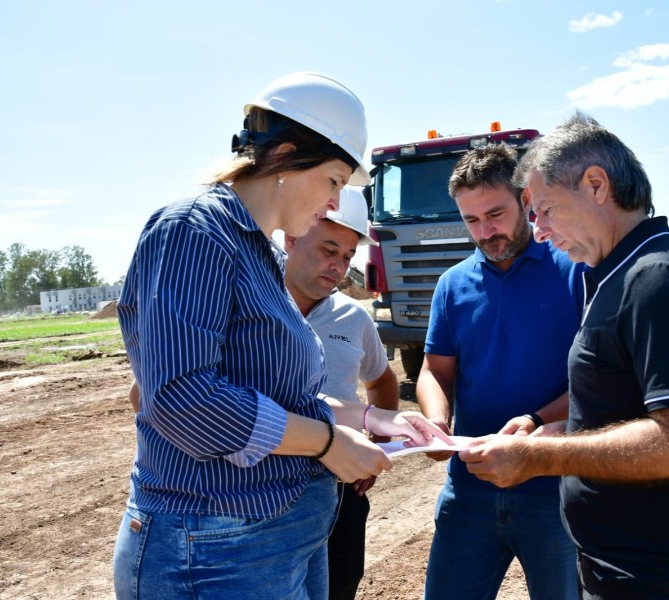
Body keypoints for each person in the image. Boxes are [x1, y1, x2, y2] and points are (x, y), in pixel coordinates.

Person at [113, 72, 450, 600]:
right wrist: (327, 443)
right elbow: (182, 400)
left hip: (274, 536)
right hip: (214, 544)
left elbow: (277, 395)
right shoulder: (194, 232)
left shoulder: (260, 253)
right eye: (334, 181)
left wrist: (374, 419)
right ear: (286, 158)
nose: (334, 201)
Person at [461, 111, 669, 599]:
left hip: (664, 580)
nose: (539, 231)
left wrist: (538, 456)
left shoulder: (661, 279)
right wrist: (553, 428)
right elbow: (621, 405)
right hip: (619, 570)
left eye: (545, 209)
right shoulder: (616, 275)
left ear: (596, 185)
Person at [417, 142, 584, 600]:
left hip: (554, 489)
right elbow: (434, 370)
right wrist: (437, 422)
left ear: (525, 200)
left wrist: (534, 421)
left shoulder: (575, 270)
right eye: (471, 220)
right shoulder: (452, 285)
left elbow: (598, 381)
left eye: (495, 214)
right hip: (469, 492)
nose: (485, 231)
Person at [283, 186, 399, 600]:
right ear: (291, 237)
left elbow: (382, 381)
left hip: (339, 487)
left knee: (339, 585)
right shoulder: (255, 306)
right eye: (329, 249)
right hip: (268, 490)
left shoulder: (353, 318)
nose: (338, 266)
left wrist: (377, 443)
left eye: (348, 256)